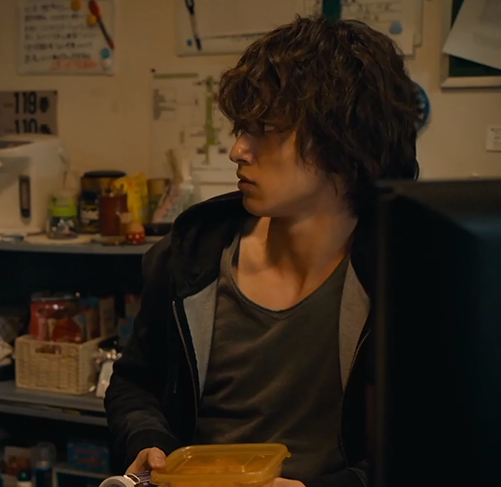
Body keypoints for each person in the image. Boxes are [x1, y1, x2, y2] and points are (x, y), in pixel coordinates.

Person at [104, 17, 421, 487]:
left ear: (344, 141)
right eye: (241, 128)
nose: (237, 150)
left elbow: (430, 443)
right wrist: (148, 441)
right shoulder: (193, 254)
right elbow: (134, 384)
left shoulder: (404, 275)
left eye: (265, 129)